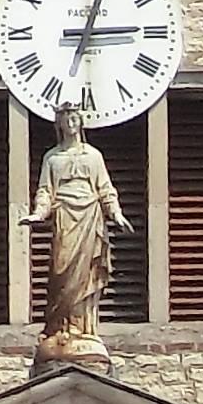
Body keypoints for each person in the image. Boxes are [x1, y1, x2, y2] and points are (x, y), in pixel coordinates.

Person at [28, 96, 127, 367]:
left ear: (80, 122)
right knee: (61, 272)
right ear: (59, 124)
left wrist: (116, 213)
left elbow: (105, 189)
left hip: (89, 217)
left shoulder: (93, 156)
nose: (70, 123)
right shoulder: (52, 158)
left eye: (74, 118)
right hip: (64, 217)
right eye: (65, 119)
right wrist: (38, 213)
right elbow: (45, 191)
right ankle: (60, 327)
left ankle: (84, 329)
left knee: (86, 275)